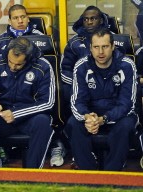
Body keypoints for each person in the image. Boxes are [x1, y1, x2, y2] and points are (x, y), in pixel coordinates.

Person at [65, 28, 138, 171]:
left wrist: (104, 118)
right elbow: (77, 100)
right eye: (96, 47)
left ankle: (112, 174)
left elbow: (127, 104)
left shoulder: (127, 65)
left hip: (119, 114)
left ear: (112, 47)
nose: (100, 52)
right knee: (73, 123)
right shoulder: (81, 66)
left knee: (125, 126)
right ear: (90, 48)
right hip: (92, 114)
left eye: (104, 46)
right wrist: (87, 116)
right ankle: (88, 173)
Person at [0, 37, 55, 168]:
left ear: (28, 58)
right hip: (2, 116)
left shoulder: (43, 66)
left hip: (29, 116)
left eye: (18, 64)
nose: (12, 66)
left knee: (43, 122)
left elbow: (48, 102)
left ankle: (32, 173)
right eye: (10, 62)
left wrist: (16, 113)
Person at [58, 5, 112, 167]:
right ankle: (81, 153)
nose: (89, 22)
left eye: (93, 18)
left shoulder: (111, 39)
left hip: (107, 89)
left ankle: (112, 154)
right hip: (81, 90)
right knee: (67, 95)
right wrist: (80, 85)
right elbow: (65, 69)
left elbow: (118, 65)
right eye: (86, 19)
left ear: (101, 20)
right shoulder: (74, 42)